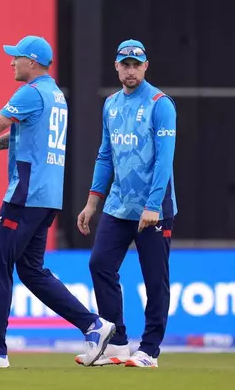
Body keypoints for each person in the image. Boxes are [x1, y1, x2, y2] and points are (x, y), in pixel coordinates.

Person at [0, 35, 116, 369]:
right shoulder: (55, 96)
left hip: (24, 195)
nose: (11, 62)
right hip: (48, 196)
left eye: (16, 57)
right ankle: (93, 325)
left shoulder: (30, 92)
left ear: (32, 62)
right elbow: (18, 136)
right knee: (32, 271)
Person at [76, 39, 177, 368]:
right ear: (116, 67)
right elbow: (105, 155)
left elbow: (164, 160)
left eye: (136, 63)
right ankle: (116, 342)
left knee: (154, 280)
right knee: (99, 265)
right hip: (118, 206)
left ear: (146, 66)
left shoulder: (160, 104)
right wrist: (93, 202)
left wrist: (153, 204)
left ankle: (149, 349)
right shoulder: (111, 104)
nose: (131, 69)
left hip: (153, 210)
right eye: (125, 64)